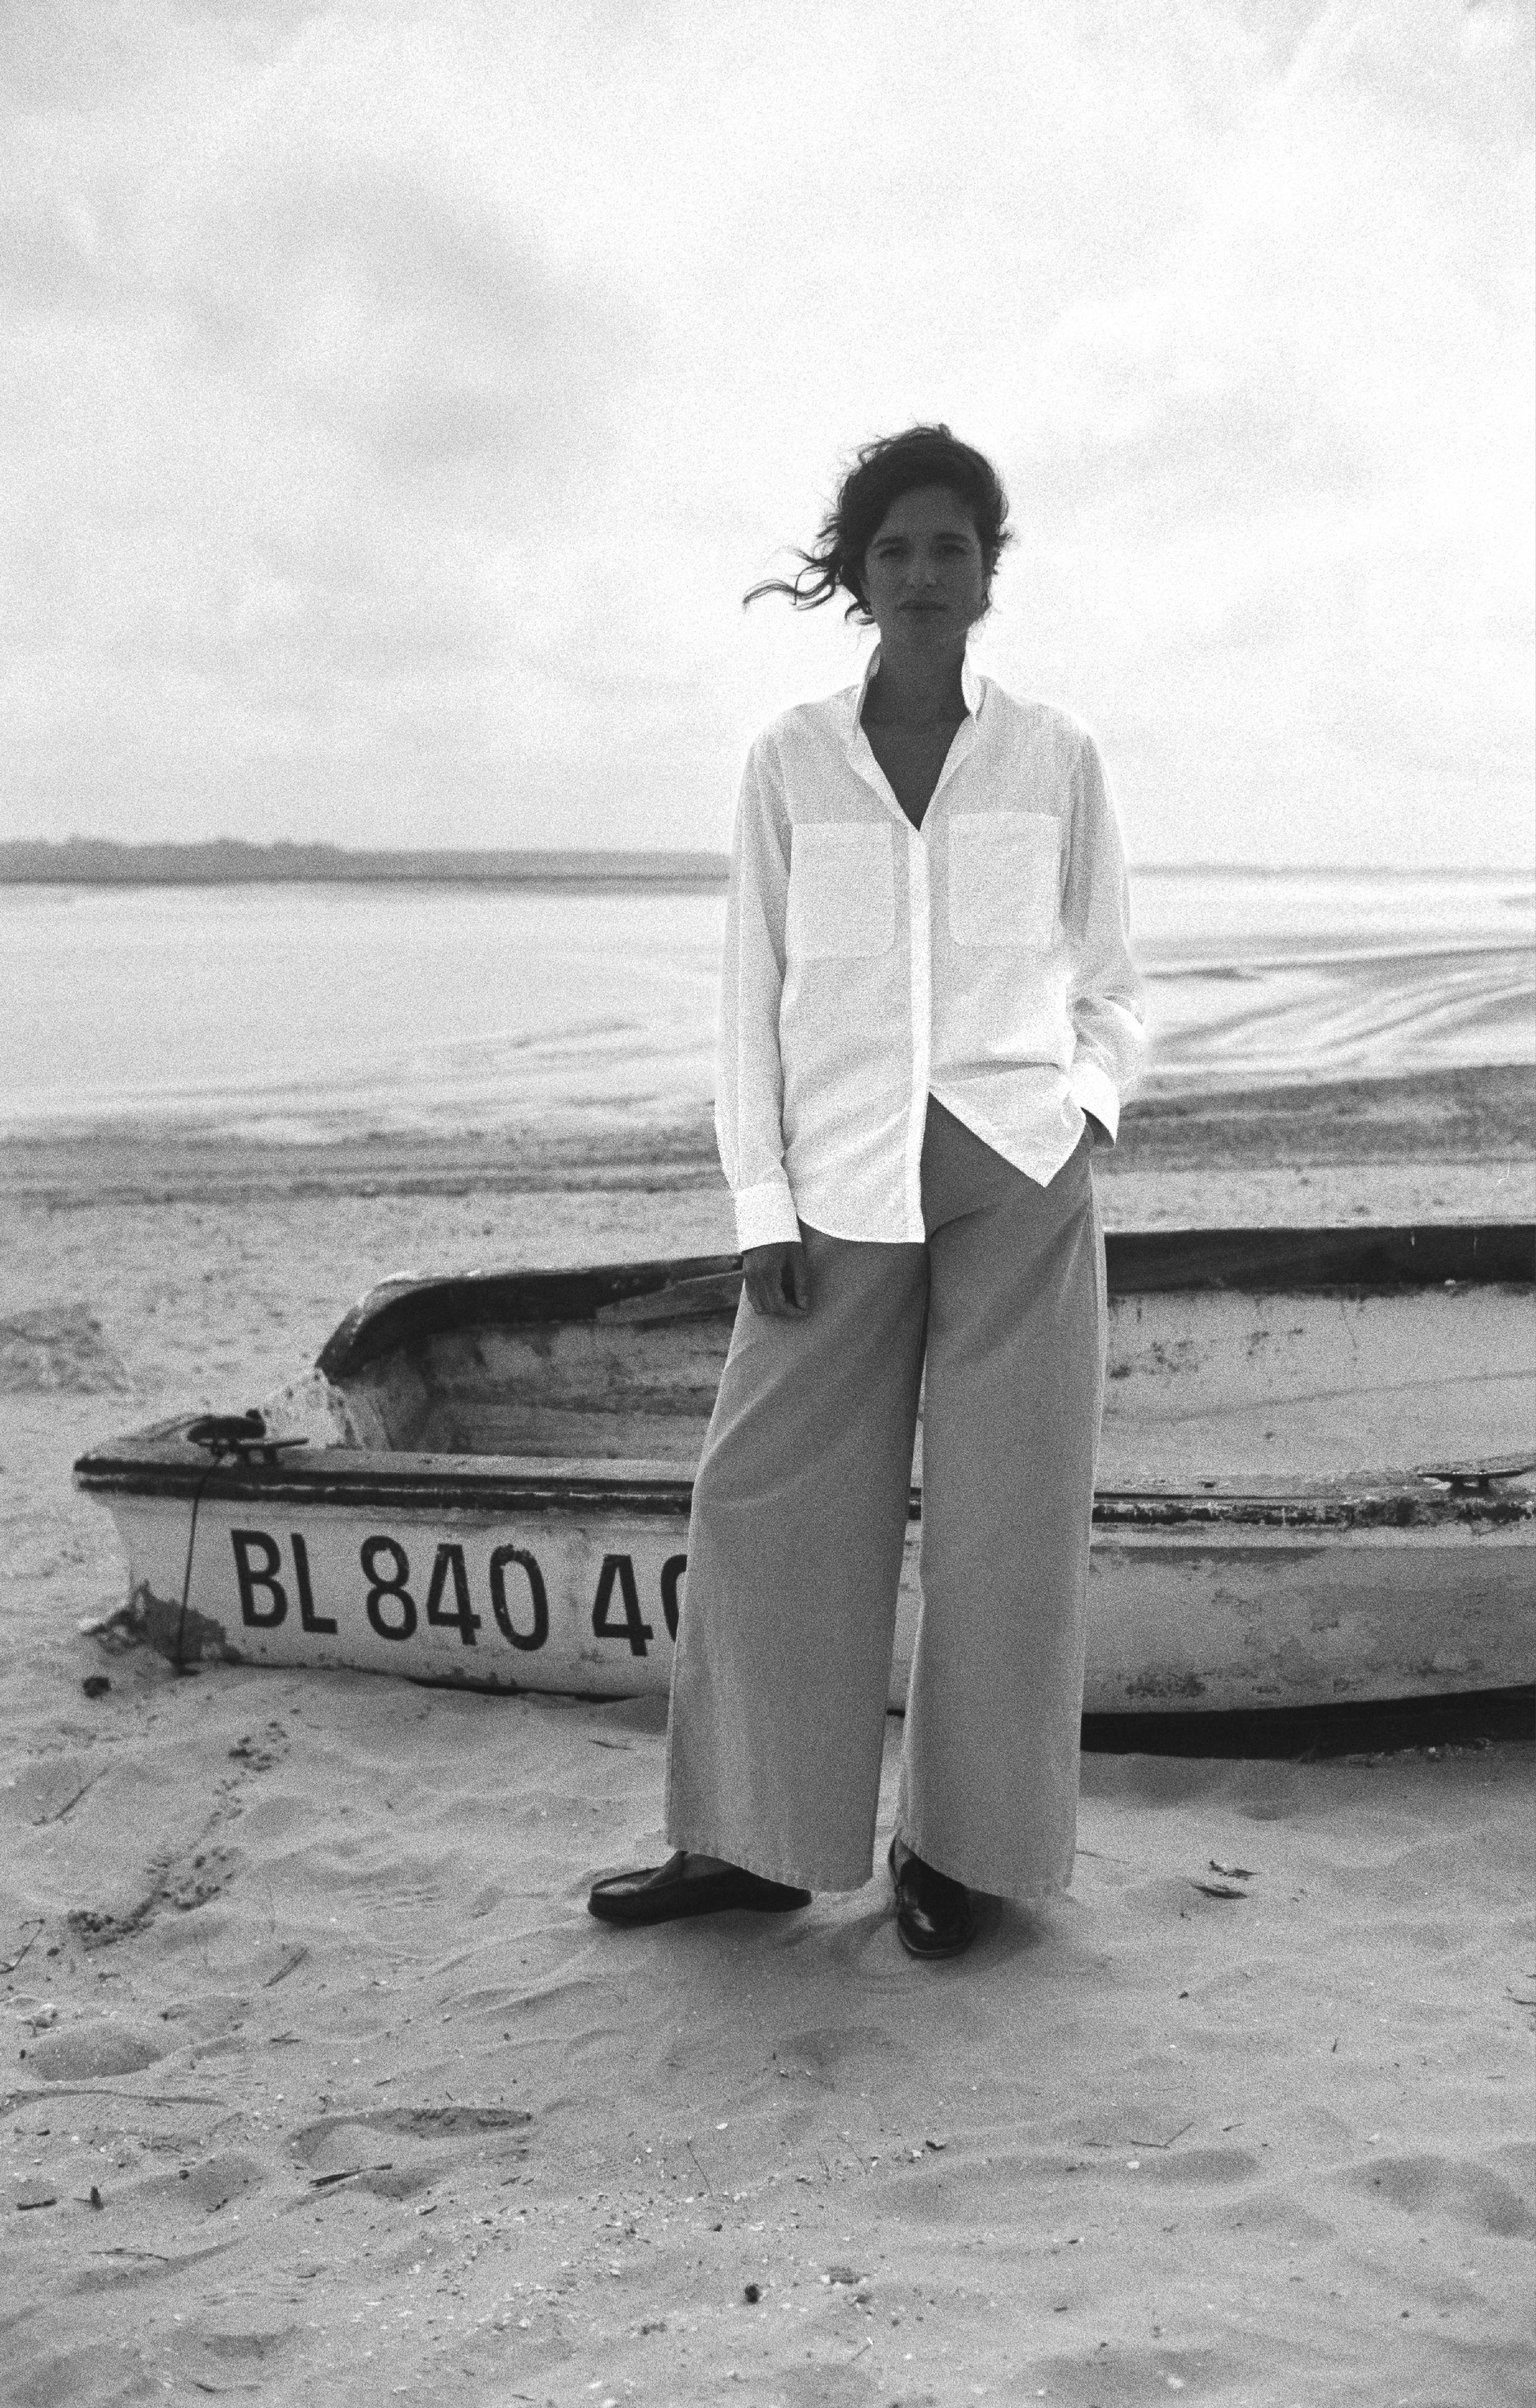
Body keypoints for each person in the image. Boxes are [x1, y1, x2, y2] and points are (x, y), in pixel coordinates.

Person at [588, 424, 1143, 1959]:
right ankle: (753, 1844)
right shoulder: (787, 762)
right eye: (891, 548)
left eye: (946, 547)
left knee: (1003, 1529)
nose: (919, 574)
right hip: (832, 1190)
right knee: (759, 1502)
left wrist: (1082, 1110)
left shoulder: (1055, 756)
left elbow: (1107, 983)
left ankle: (962, 1857)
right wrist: (758, 1201)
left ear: (986, 570)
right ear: (856, 572)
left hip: (1012, 1178)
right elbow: (746, 996)